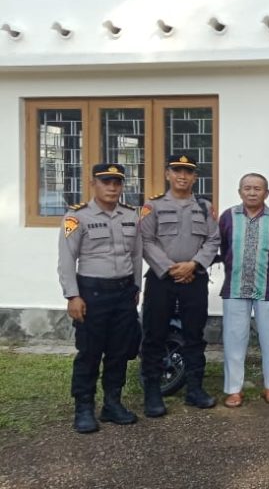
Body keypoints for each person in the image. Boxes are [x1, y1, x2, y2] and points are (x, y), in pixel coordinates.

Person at [58, 163, 142, 433]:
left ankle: (112, 404)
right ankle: (83, 407)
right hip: (91, 293)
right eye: (106, 181)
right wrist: (72, 296)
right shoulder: (77, 216)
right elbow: (67, 259)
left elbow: (136, 256)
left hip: (123, 292)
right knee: (90, 353)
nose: (112, 187)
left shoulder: (131, 215)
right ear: (93, 183)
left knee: (119, 352)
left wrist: (136, 288)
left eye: (117, 182)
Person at [139, 154, 221, 417]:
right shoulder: (153, 206)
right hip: (161, 279)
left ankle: (195, 389)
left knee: (195, 335)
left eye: (188, 172)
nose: (182, 176)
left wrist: (194, 265)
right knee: (154, 334)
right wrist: (170, 268)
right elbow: (146, 240)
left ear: (195, 177)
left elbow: (213, 239)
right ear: (168, 174)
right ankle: (153, 391)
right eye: (177, 171)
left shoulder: (204, 207)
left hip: (194, 279)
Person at [218, 173, 269, 408]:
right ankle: (234, 390)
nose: (252, 192)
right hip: (235, 286)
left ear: (266, 193)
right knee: (234, 339)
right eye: (247, 188)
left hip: (268, 286)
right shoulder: (228, 216)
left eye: (258, 189)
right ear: (239, 192)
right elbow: (224, 247)